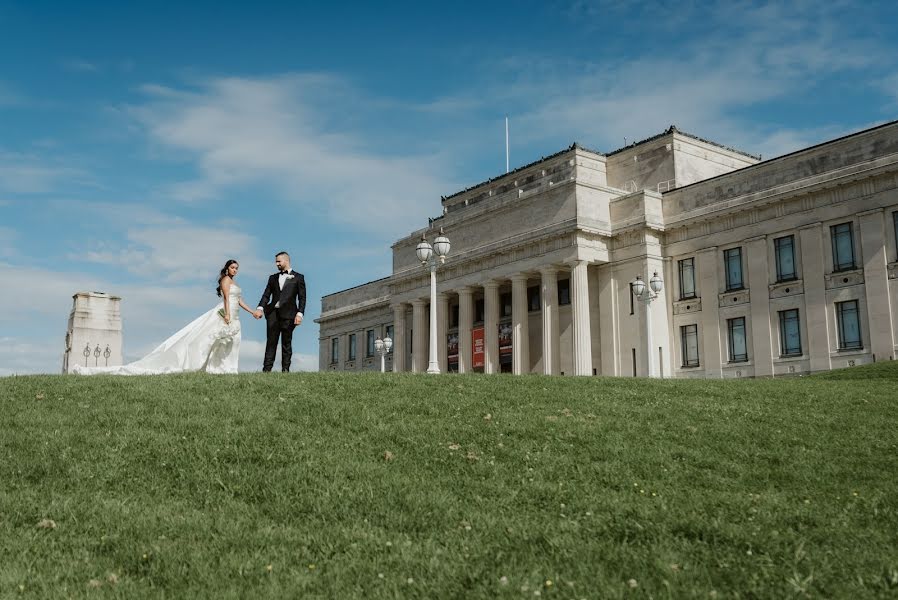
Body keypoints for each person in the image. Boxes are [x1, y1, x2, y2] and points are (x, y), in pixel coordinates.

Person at [71, 259, 257, 375]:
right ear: (227, 269)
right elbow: (226, 298)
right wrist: (227, 315)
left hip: (235, 316)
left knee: (230, 342)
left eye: (237, 268)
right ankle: (212, 367)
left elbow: (239, 300)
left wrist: (252, 312)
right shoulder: (225, 281)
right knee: (210, 340)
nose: (235, 270)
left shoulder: (235, 283)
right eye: (233, 267)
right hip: (224, 315)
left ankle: (225, 368)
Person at [254, 251, 306, 372]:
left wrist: (300, 314)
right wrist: (260, 308)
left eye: (279, 261)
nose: (277, 264)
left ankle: (285, 370)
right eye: (276, 262)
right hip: (273, 314)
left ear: (286, 261)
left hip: (289, 315)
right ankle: (266, 370)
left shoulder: (299, 277)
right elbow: (266, 295)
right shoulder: (272, 278)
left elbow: (302, 298)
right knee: (271, 342)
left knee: (286, 343)